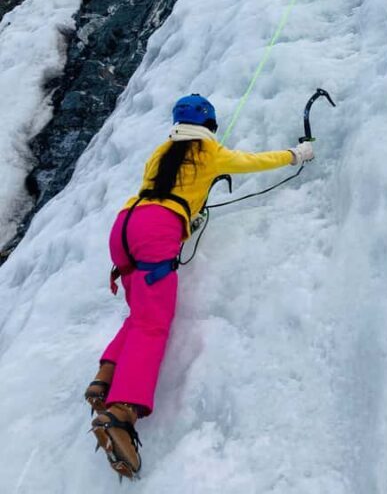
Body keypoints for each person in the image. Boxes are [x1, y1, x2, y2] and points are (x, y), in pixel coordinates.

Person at [85, 94, 314, 479]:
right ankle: (122, 411)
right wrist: (297, 154)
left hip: (125, 225)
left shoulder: (162, 151)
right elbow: (254, 162)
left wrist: (183, 219)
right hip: (157, 229)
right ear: (208, 124)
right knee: (154, 325)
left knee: (142, 313)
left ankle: (104, 379)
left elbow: (165, 190)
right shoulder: (209, 151)